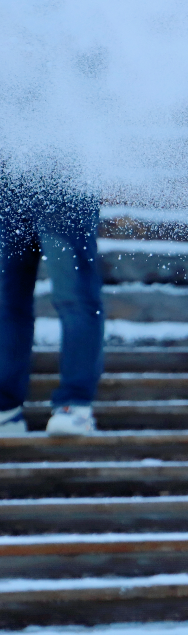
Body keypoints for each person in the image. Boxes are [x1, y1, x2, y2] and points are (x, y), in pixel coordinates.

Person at [0, 170, 103, 436]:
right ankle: (5, 412)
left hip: (65, 175)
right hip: (6, 180)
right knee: (6, 302)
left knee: (75, 298)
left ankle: (75, 405)